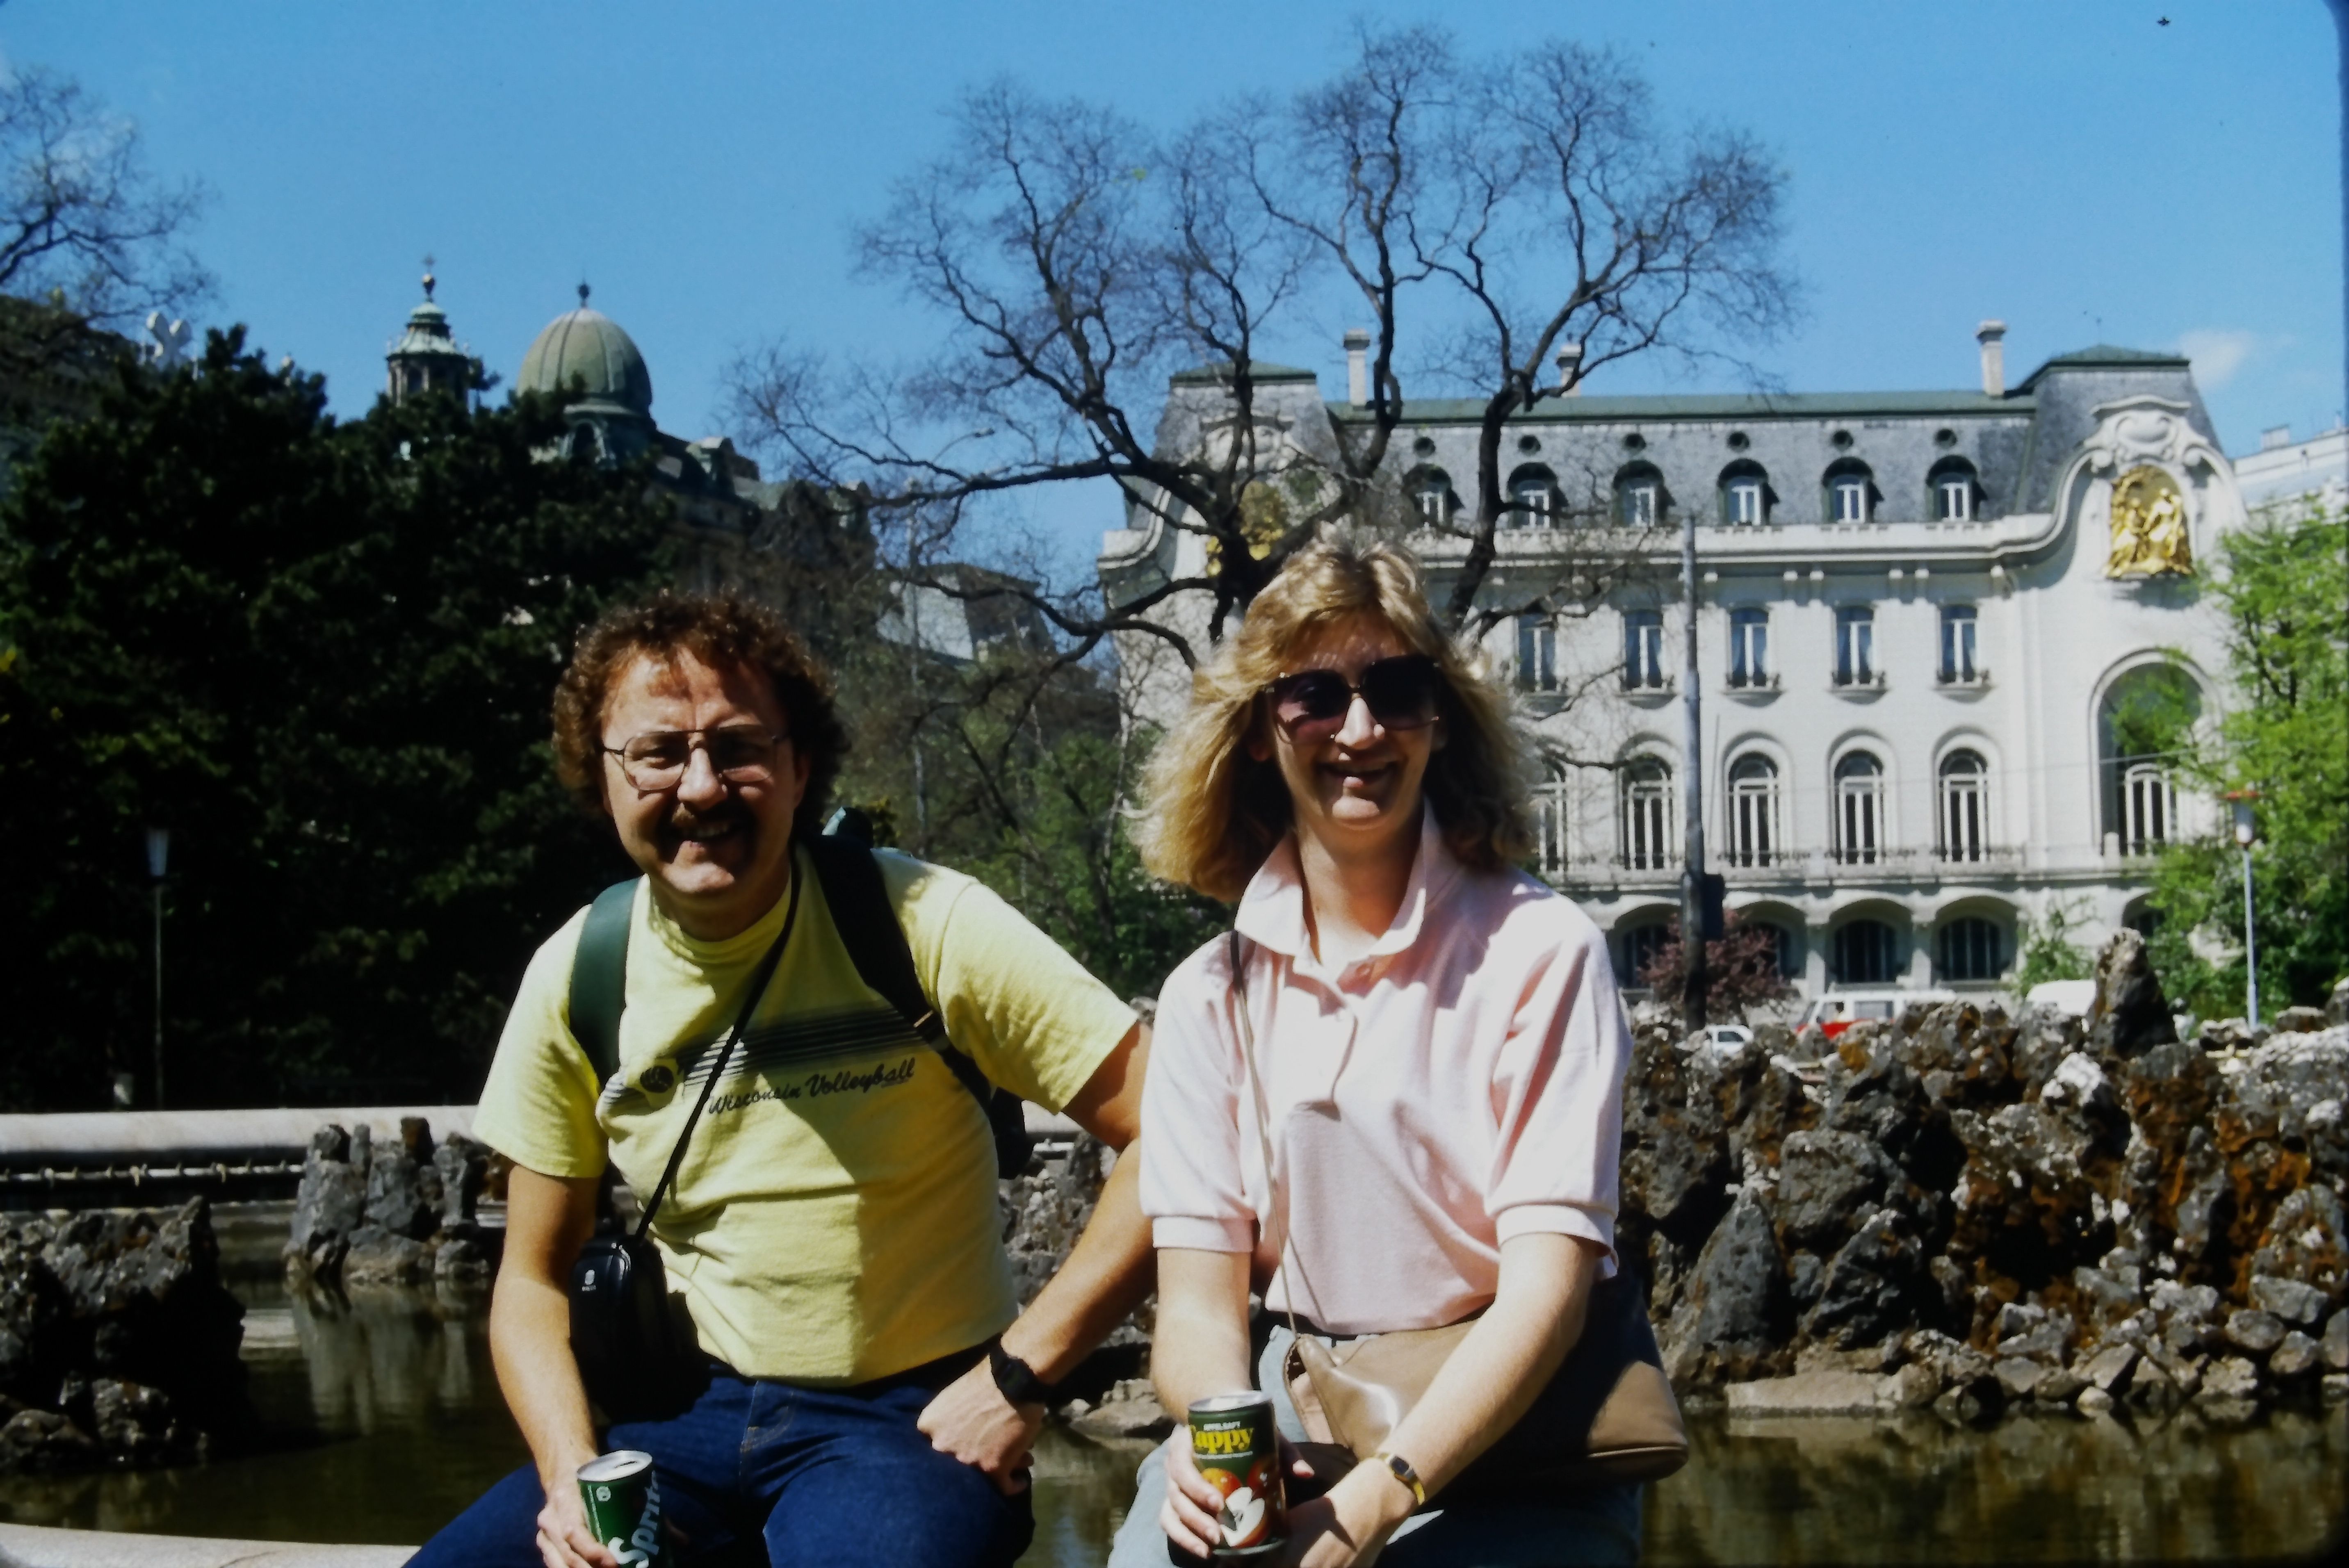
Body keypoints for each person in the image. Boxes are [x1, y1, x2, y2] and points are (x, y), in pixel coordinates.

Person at [413, 593, 1153, 1568]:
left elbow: (1177, 1130)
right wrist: (569, 1476)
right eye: (659, 751)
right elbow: (532, 1279)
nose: (702, 785)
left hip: (904, 1417)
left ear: (802, 766)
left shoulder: (923, 924)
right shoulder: (577, 975)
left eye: (738, 747)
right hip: (676, 1417)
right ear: (604, 780)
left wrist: (1019, 1373)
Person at [1109, 538, 1640, 1567]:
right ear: (1261, 730)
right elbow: (1196, 1303)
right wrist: (1214, 1441)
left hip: (1510, 1433)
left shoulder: (1542, 952)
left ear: (1439, 721)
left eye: (1395, 689)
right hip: (1291, 1405)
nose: (1359, 729)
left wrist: (1379, 1498)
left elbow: (1547, 1290)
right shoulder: (1206, 994)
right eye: (1313, 695)